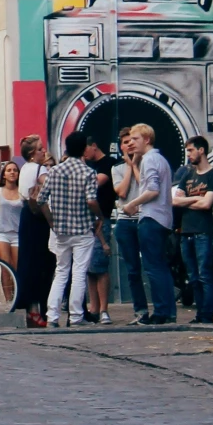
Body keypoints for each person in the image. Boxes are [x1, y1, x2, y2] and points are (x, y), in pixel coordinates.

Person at [38, 130, 100, 326]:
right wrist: (99, 216)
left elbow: (40, 199)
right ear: (83, 149)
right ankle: (75, 316)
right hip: (82, 229)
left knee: (61, 272)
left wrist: (51, 221)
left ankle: (52, 316)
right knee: (79, 273)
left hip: (61, 230)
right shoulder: (88, 172)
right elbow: (91, 201)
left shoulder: (54, 171)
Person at [128, 123, 177, 324]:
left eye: (135, 139)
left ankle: (161, 311)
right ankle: (168, 310)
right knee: (161, 266)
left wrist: (132, 204)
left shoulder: (150, 160)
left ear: (147, 140)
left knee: (153, 267)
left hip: (151, 217)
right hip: (163, 218)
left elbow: (152, 190)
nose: (131, 143)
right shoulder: (160, 160)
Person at [172, 134, 213, 325]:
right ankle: (199, 314)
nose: (189, 155)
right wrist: (196, 199)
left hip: (203, 231)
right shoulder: (187, 174)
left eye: (191, 150)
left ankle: (206, 315)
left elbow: (207, 204)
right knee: (193, 277)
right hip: (186, 232)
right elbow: (174, 201)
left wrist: (188, 202)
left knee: (205, 274)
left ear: (201, 150)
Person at [15, 138, 56, 326]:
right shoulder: (40, 170)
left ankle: (31, 309)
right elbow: (49, 188)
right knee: (44, 264)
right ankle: (41, 310)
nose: (43, 151)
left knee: (29, 262)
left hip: (27, 216)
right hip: (39, 217)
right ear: (32, 153)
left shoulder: (24, 169)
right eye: (40, 149)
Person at [109, 128, 143, 315]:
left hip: (144, 220)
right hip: (125, 221)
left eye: (131, 141)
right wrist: (129, 166)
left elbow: (146, 186)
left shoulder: (147, 163)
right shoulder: (117, 169)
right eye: (125, 142)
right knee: (132, 270)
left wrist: (136, 165)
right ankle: (140, 310)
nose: (128, 145)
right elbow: (121, 192)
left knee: (153, 266)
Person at [85, 136, 116, 323]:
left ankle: (104, 308)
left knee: (100, 264)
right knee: (89, 266)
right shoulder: (88, 166)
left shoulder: (107, 164)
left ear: (94, 146)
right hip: (86, 219)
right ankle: (94, 307)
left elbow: (96, 183)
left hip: (102, 216)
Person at [0, 154, 23, 277]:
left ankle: (17, 294)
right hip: (1, 232)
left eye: (15, 170)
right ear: (4, 174)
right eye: (9, 170)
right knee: (6, 266)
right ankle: (8, 297)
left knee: (18, 267)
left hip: (18, 233)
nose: (12, 173)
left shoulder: (22, 191)